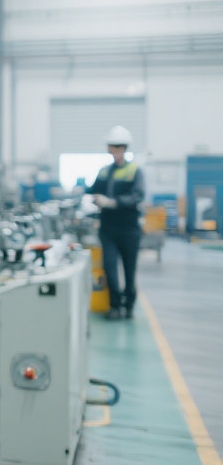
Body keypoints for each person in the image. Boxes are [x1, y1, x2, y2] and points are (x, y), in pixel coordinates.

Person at [85, 125, 146, 320]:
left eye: (119, 147)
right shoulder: (104, 172)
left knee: (129, 270)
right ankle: (114, 306)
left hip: (129, 229)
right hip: (108, 229)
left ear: (125, 148)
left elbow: (137, 197)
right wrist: (92, 197)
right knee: (110, 268)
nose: (116, 151)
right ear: (109, 148)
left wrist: (112, 202)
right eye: (113, 147)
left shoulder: (134, 171)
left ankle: (128, 307)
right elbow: (92, 190)